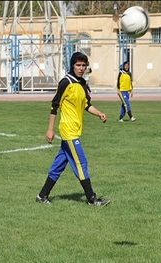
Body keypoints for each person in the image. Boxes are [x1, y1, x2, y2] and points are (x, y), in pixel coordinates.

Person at [36, 52, 110, 207]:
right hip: (68, 130)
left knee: (59, 165)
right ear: (72, 66)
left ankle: (42, 196)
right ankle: (92, 199)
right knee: (81, 163)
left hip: (75, 130)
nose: (81, 68)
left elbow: (86, 105)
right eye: (78, 65)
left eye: (84, 65)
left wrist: (99, 114)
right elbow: (54, 106)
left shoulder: (83, 84)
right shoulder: (66, 82)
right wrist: (50, 129)